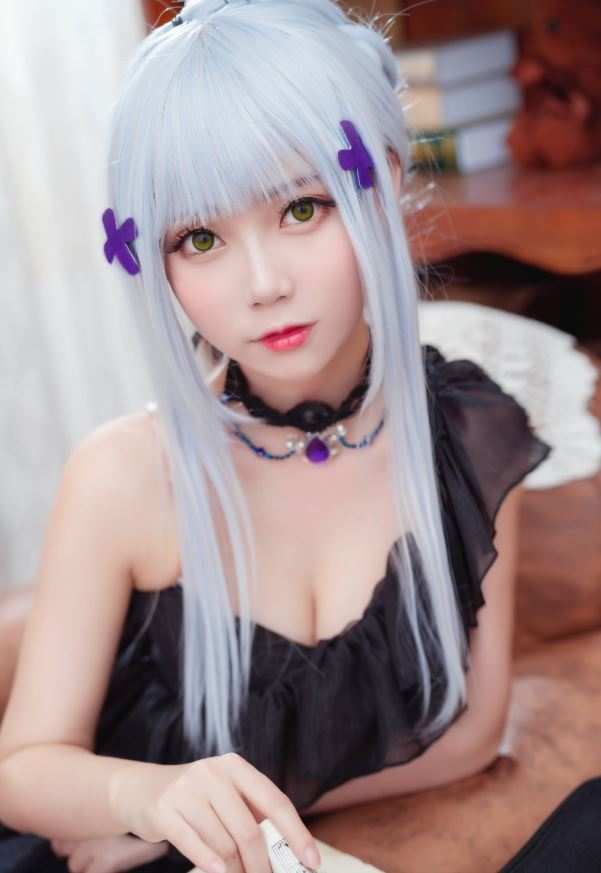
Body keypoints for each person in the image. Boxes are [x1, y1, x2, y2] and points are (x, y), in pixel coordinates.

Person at [5, 0, 595, 871]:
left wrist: (239, 816)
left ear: (381, 182)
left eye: (301, 209)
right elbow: (22, 767)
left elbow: (471, 734)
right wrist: (148, 800)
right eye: (200, 237)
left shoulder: (467, 436)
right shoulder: (125, 475)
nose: (263, 283)